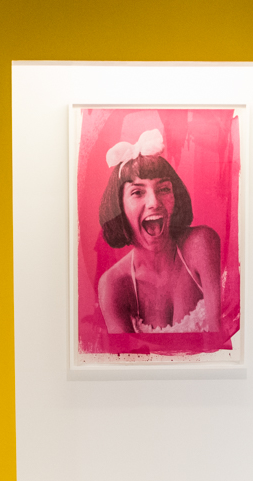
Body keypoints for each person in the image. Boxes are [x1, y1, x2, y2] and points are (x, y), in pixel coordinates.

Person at [94, 129, 222, 334]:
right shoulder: (113, 284)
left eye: (163, 189)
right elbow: (126, 361)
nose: (154, 202)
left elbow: (221, 340)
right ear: (119, 207)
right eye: (137, 192)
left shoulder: (201, 243)